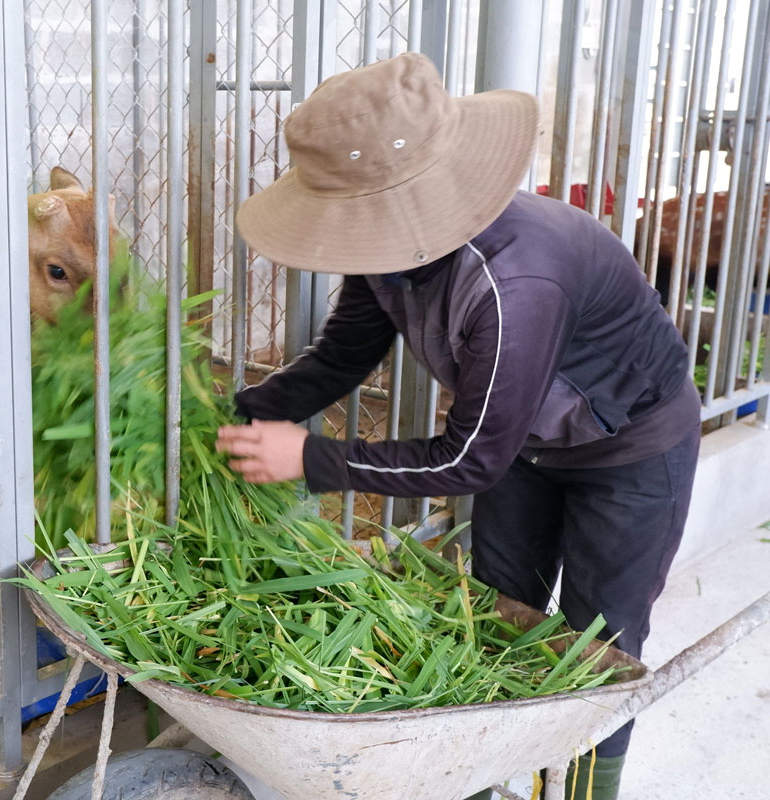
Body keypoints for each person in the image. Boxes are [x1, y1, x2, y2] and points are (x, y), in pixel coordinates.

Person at [215, 52, 700, 800]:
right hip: (525, 443)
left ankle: (583, 790)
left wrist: (311, 458)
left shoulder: (514, 283)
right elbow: (344, 353)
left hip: (626, 448)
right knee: (498, 612)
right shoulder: (391, 254)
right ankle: (491, 775)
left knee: (595, 642)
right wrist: (246, 411)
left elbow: (470, 459)